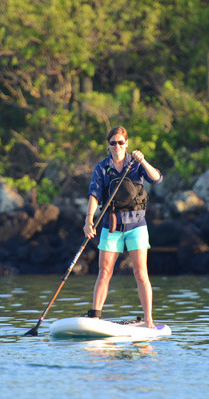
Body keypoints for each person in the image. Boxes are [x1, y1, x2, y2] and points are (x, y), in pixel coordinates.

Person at [83, 126, 162, 328]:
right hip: (111, 226)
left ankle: (149, 321)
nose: (117, 146)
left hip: (136, 225)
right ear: (108, 145)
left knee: (140, 273)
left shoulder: (136, 164)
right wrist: (89, 219)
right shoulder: (102, 168)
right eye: (113, 143)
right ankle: (95, 318)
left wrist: (142, 160)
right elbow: (94, 194)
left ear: (126, 144)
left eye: (121, 142)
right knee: (104, 271)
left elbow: (156, 178)